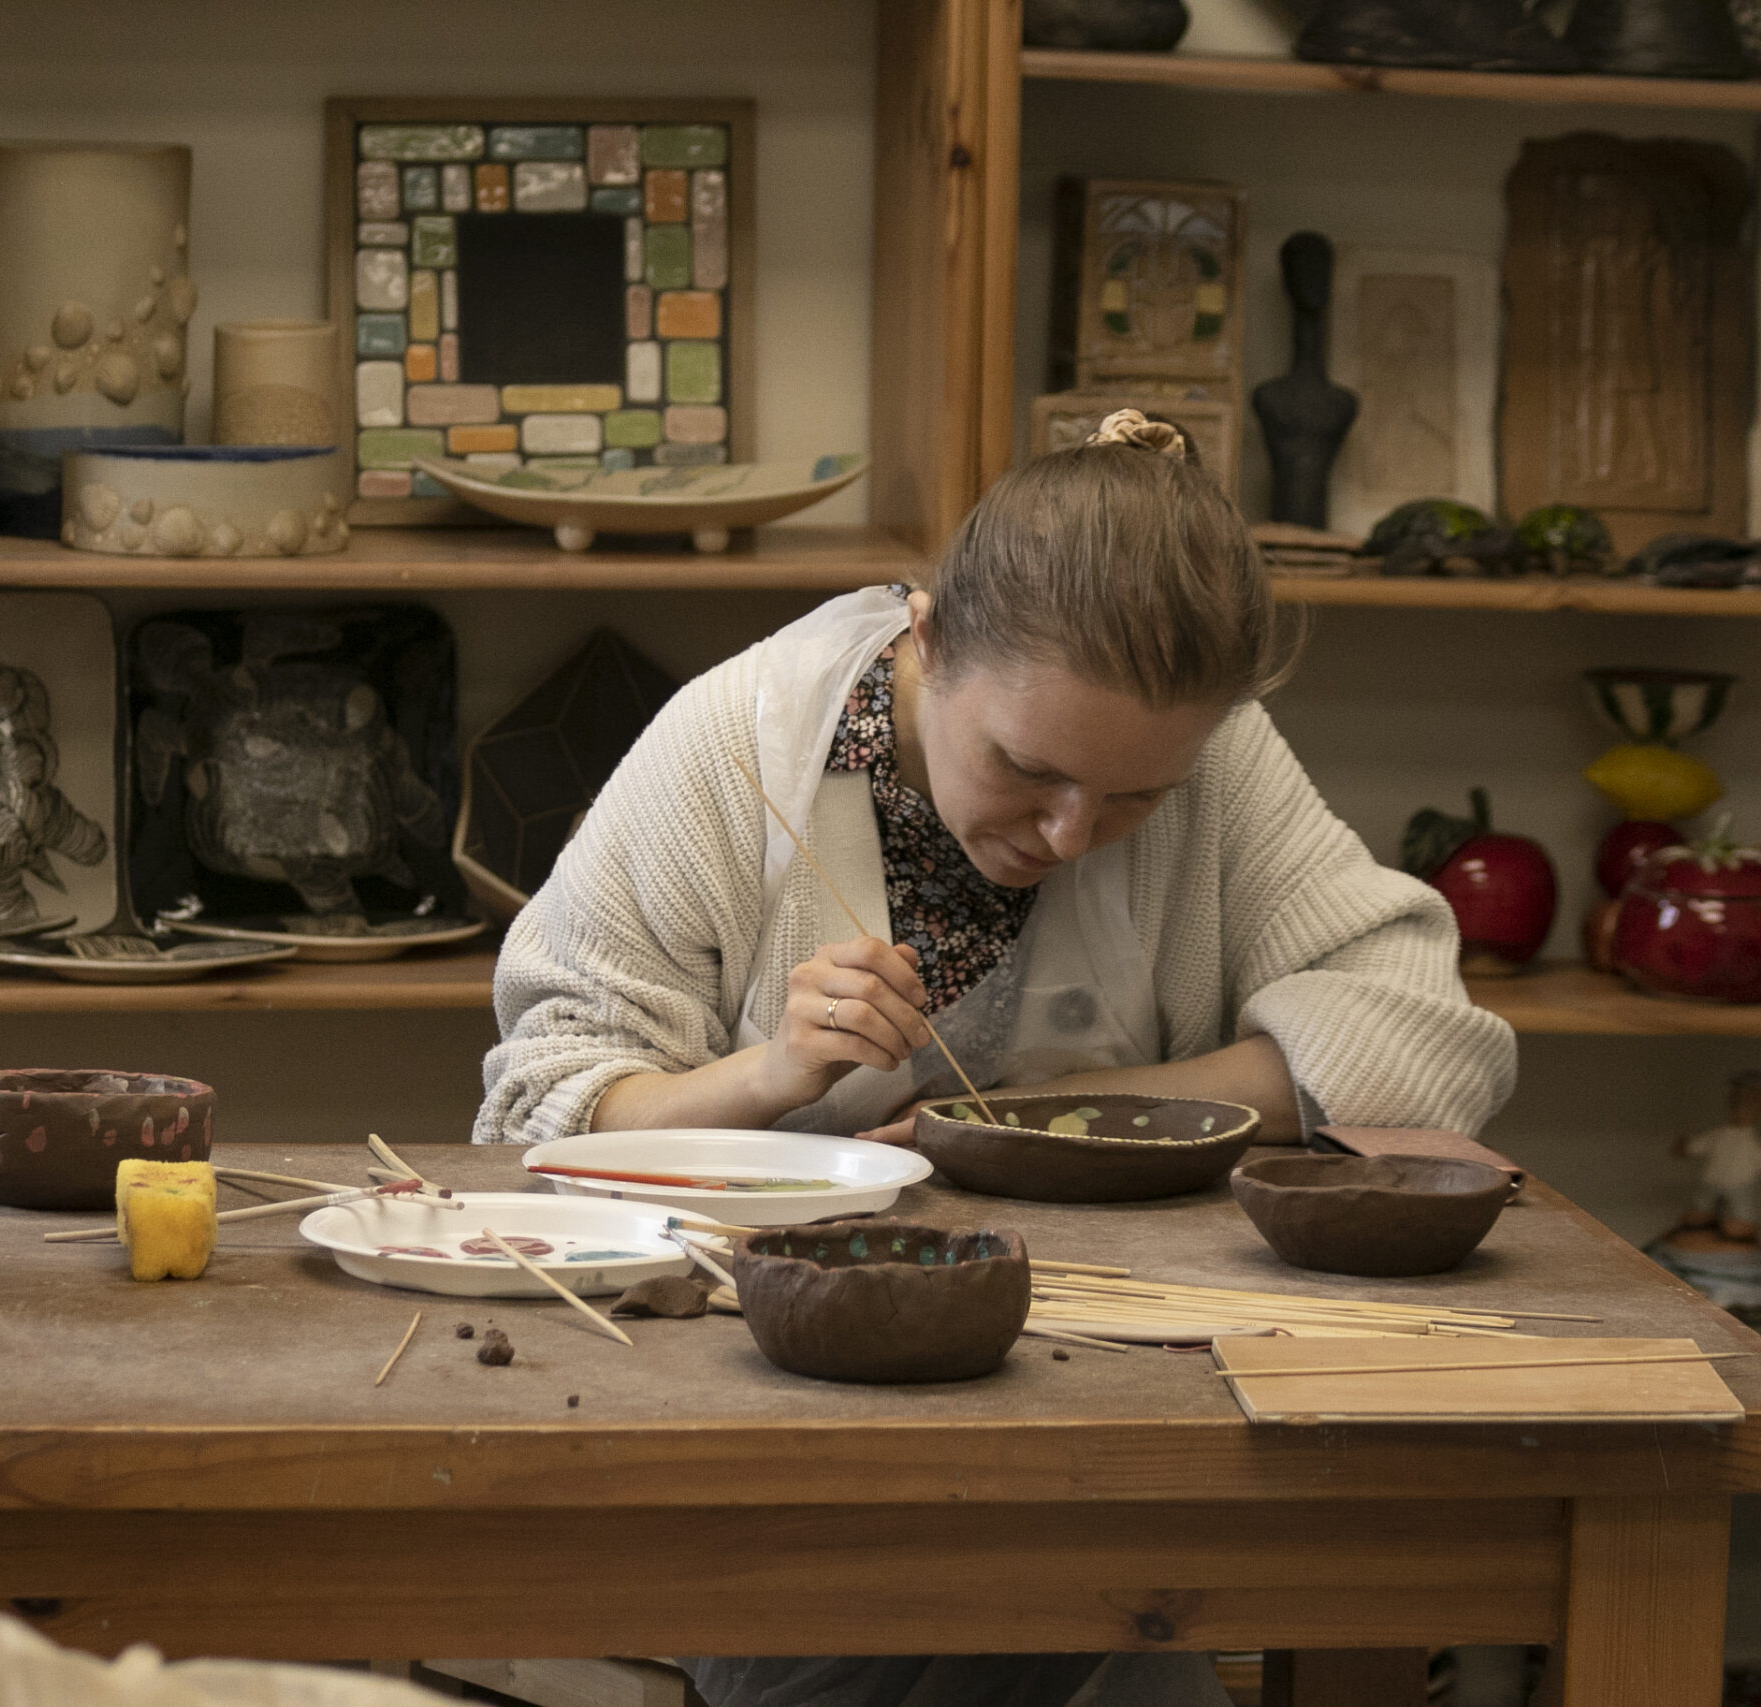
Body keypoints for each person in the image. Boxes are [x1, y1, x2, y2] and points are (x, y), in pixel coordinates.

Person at [473, 410, 1520, 1707]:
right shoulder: (736, 745)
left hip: (1108, 1393)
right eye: (1026, 769)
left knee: (1127, 1599)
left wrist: (1053, 1117)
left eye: (1134, 797)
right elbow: (535, 1112)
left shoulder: (1210, 754)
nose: (1072, 834)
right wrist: (769, 1077)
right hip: (768, 1406)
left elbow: (1425, 1045)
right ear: (927, 638)